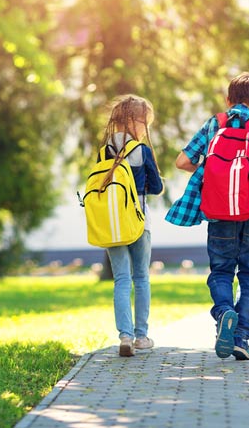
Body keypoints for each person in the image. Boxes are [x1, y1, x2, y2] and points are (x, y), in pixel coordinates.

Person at [170, 72, 249, 360]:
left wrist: (214, 173)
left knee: (221, 271)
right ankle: (241, 336)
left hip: (219, 212)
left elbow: (182, 161)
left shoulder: (213, 124)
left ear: (228, 99)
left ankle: (224, 313)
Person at [100, 95, 164, 357]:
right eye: (144, 122)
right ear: (134, 122)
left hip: (112, 224)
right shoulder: (142, 150)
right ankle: (141, 336)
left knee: (121, 279)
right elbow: (157, 188)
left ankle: (124, 336)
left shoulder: (105, 151)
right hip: (138, 222)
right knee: (141, 278)